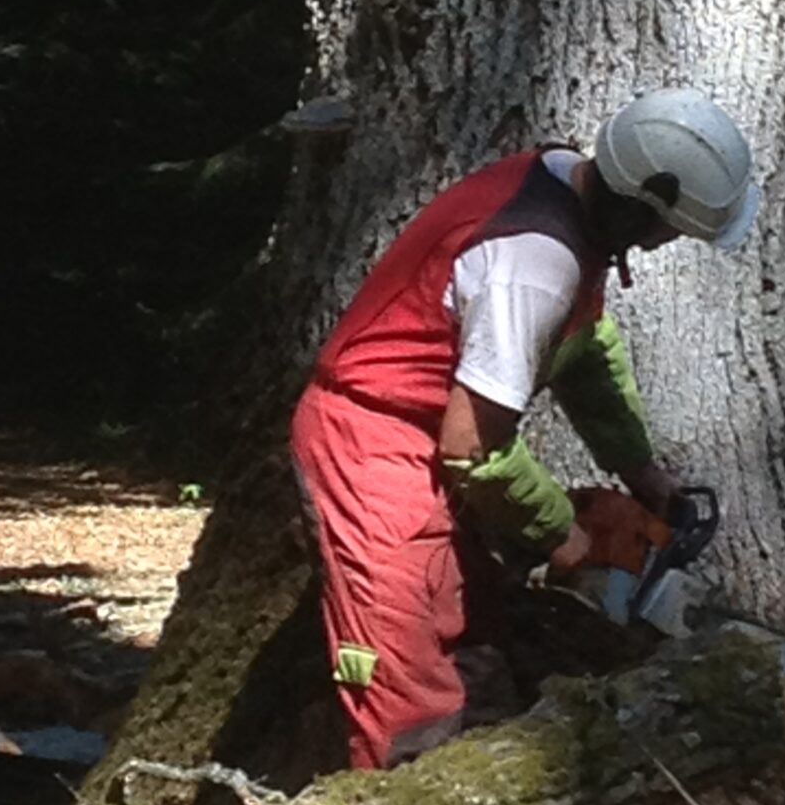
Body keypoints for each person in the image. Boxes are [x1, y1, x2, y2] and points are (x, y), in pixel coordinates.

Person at [290, 88, 759, 769]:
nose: (666, 245)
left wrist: (641, 472)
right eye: (671, 230)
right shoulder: (533, 263)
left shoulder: (563, 185)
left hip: (426, 437)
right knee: (403, 671)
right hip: (371, 443)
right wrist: (563, 538)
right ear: (641, 208)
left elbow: (586, 348)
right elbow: (475, 449)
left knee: (471, 633)